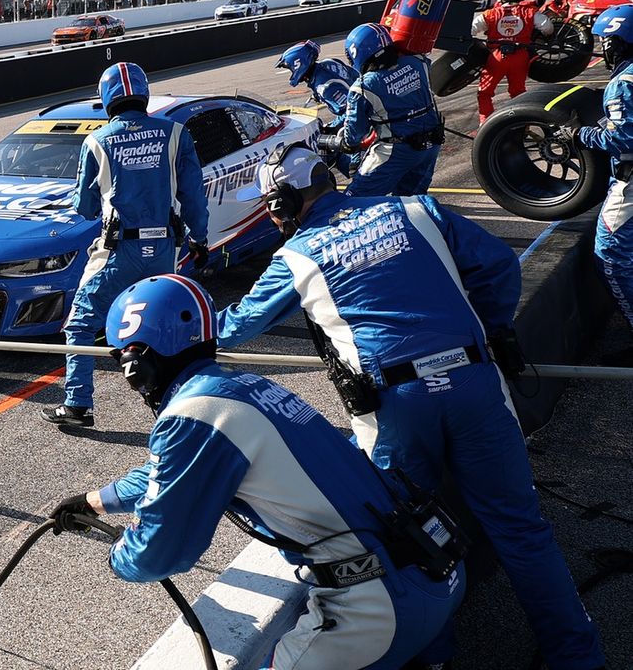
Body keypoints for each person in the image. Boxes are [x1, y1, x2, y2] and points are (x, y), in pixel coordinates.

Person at [214, 146, 606, 670]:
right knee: (521, 529)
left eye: (270, 203)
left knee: (406, 539)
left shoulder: (298, 255)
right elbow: (496, 266)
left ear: (284, 200)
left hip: (395, 406)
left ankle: (434, 658)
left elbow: (236, 326)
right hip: (473, 381)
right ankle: (578, 657)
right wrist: (491, 329)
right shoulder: (419, 208)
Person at [51, 274, 465, 669]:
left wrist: (118, 554)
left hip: (377, 605)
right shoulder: (237, 388)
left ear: (136, 362)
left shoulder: (192, 414)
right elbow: (174, 472)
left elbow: (159, 553)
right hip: (433, 568)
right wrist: (94, 502)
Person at [41, 62, 209, 427]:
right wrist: (200, 238)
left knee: (80, 324)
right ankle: (181, 406)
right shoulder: (175, 132)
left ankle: (77, 404)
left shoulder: (96, 141)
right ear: (144, 94)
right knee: (165, 327)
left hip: (118, 251)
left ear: (106, 99)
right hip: (164, 248)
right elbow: (194, 194)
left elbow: (85, 208)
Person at [559, 4, 633, 346]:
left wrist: (580, 135)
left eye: (607, 41)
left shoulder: (623, 83)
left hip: (630, 183)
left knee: (612, 257)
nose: (604, 48)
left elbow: (625, 139)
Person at [318, 23, 444, 196]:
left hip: (396, 152)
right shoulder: (418, 61)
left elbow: (355, 134)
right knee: (412, 200)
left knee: (354, 200)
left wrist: (344, 143)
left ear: (357, 53)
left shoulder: (362, 87)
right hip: (432, 145)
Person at [275, 39, 359, 175]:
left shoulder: (325, 87)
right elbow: (353, 76)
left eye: (290, 68)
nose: (290, 71)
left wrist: (329, 128)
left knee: (327, 146)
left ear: (298, 64)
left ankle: (357, 176)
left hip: (364, 123)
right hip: (368, 104)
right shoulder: (329, 62)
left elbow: (351, 113)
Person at [473, 0, 554, 124]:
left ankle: (485, 123)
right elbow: (548, 27)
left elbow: (472, 29)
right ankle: (521, 124)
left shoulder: (490, 13)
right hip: (520, 56)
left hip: (496, 57)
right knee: (518, 93)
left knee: (484, 93)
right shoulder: (529, 11)